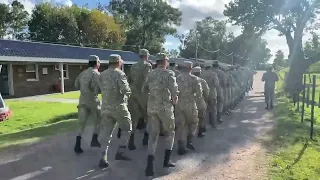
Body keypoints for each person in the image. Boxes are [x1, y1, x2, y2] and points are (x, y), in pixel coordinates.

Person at [142, 53, 178, 177]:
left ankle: (149, 166)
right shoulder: (169, 74)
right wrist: (175, 100)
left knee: (153, 136)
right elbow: (174, 90)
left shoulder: (150, 74)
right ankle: (166, 161)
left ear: (157, 61)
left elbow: (144, 89)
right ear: (165, 61)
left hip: (152, 107)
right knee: (170, 132)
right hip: (165, 108)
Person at [98, 54, 132, 168]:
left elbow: (99, 88)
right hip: (119, 107)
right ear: (118, 62)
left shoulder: (102, 75)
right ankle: (121, 151)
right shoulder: (120, 74)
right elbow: (125, 90)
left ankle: (103, 158)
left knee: (106, 134)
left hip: (105, 108)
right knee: (127, 127)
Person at [121, 49, 152, 150]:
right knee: (148, 117)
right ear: (146, 56)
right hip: (143, 94)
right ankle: (146, 138)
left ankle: (131, 140)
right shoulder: (147, 65)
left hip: (133, 93)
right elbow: (147, 79)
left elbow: (129, 79)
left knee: (134, 118)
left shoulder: (133, 66)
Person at [73, 55, 101, 154]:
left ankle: (77, 144)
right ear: (97, 63)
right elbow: (101, 87)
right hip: (93, 100)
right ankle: (95, 138)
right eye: (99, 62)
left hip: (82, 101)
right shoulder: (96, 74)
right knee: (100, 118)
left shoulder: (82, 73)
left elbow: (76, 85)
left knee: (81, 124)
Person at [192, 66, 210, 138]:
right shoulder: (202, 81)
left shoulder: (190, 79)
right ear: (200, 73)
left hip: (190, 103)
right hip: (200, 102)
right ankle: (200, 132)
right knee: (201, 118)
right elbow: (207, 93)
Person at [201, 62, 219, 128]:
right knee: (213, 109)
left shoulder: (201, 74)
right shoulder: (213, 74)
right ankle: (213, 124)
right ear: (210, 67)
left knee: (205, 109)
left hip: (204, 93)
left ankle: (203, 125)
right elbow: (216, 84)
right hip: (212, 93)